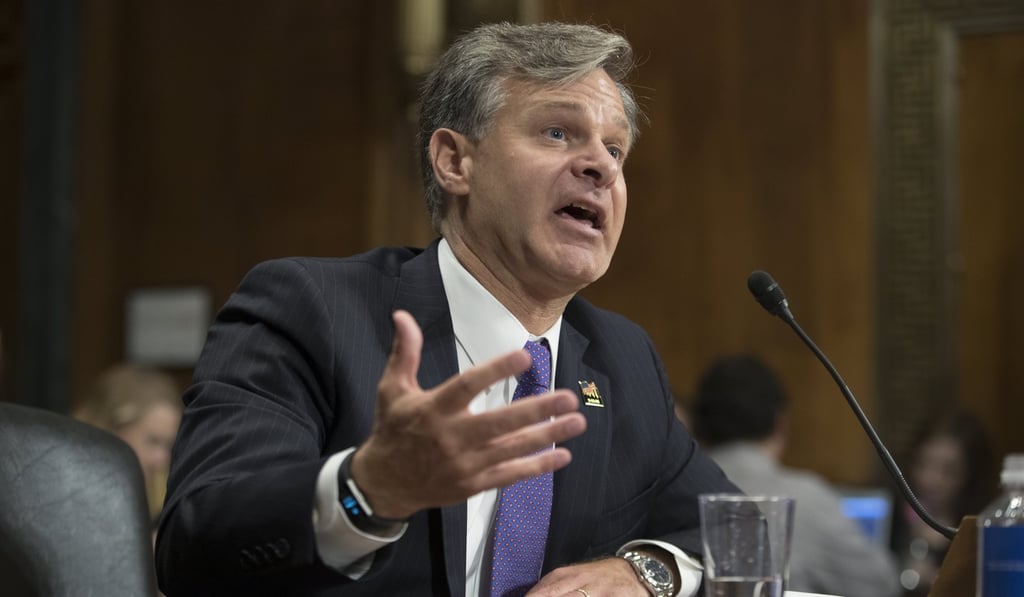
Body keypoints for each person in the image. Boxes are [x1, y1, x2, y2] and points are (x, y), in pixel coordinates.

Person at [155, 21, 738, 597]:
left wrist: (645, 571)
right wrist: (370, 489)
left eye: (615, 149)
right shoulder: (314, 310)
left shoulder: (624, 357)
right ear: (455, 162)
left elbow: (739, 531)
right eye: (558, 133)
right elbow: (196, 547)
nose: (602, 166)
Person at [691, 354, 901, 597]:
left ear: (697, 428)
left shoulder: (669, 493)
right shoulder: (807, 497)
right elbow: (880, 585)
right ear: (781, 423)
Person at [890, 408, 997, 596]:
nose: (931, 479)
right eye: (923, 463)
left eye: (949, 471)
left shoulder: (980, 532)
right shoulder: (890, 517)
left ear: (971, 476)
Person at [73, 363, 183, 522]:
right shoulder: (69, 487)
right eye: (153, 442)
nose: (162, 460)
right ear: (114, 429)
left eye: (168, 446)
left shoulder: (157, 494)